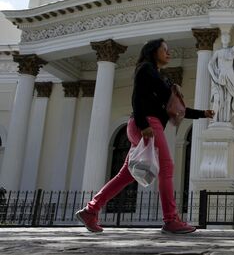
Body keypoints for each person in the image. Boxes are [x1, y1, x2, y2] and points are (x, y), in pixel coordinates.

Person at [75, 38, 214, 234]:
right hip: (147, 125)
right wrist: (144, 124)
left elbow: (174, 109)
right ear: (153, 51)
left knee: (126, 175)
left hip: (142, 125)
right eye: (164, 49)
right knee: (166, 167)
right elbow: (137, 97)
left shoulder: (158, 76)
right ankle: (171, 219)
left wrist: (202, 114)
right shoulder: (146, 69)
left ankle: (91, 210)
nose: (169, 53)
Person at [208, 26, 234, 123]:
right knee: (218, 99)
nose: (225, 39)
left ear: (229, 40)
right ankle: (216, 119)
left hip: (230, 77)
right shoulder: (218, 52)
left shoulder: (232, 51)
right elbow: (210, 64)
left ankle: (226, 120)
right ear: (221, 39)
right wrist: (215, 77)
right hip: (220, 77)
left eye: (227, 38)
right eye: (223, 37)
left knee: (228, 100)